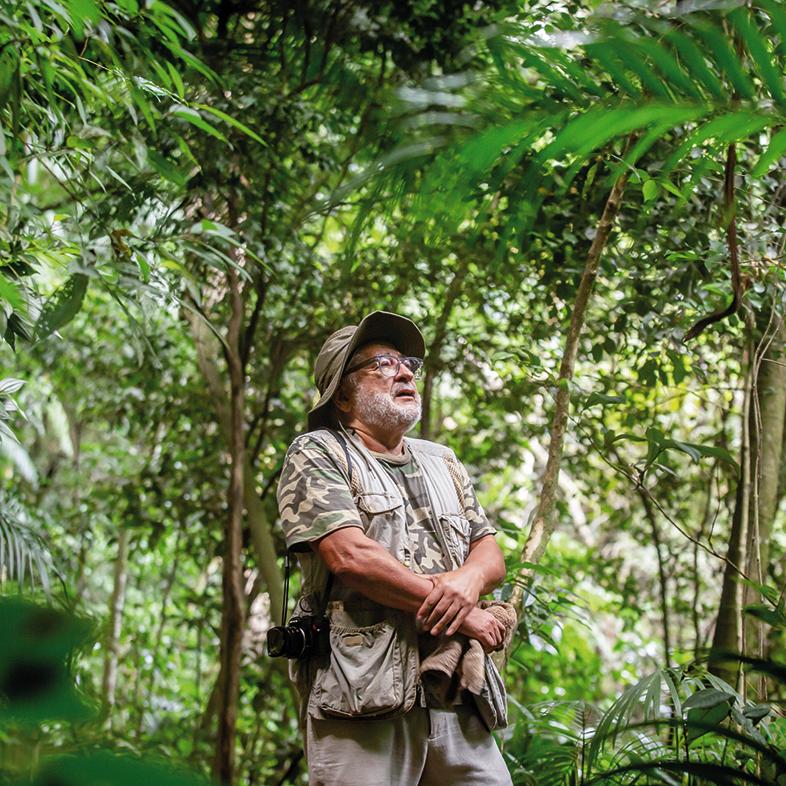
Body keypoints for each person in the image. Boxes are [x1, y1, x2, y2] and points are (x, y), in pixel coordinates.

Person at [276, 310, 513, 786]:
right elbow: (351, 557)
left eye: (407, 363)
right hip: (362, 694)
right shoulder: (318, 451)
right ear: (343, 393)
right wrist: (466, 614)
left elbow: (488, 553)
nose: (405, 372)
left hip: (454, 689)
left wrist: (467, 582)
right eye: (382, 364)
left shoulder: (441, 460)